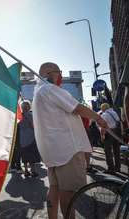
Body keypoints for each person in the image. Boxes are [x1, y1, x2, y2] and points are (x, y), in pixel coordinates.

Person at [32, 62, 108, 219]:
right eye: (58, 72)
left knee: (54, 188)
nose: (60, 75)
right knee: (68, 193)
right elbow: (77, 107)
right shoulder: (50, 89)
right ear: (49, 73)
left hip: (53, 152)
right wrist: (98, 118)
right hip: (67, 150)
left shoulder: (38, 93)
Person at [18, 100, 41, 177]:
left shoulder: (19, 116)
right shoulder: (31, 115)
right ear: (29, 107)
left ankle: (26, 171)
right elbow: (33, 126)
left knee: (24, 155)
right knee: (32, 156)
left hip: (22, 138)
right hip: (31, 137)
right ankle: (33, 171)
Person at [100, 103, 121, 174]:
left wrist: (102, 135)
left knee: (108, 151)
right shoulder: (114, 112)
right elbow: (119, 121)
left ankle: (111, 169)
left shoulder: (104, 114)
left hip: (109, 132)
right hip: (116, 132)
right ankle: (118, 167)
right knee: (116, 150)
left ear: (103, 108)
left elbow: (103, 126)